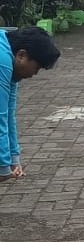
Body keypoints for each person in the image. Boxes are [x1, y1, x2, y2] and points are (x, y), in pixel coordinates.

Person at [1, 27, 61, 183]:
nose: (35, 74)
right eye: (37, 67)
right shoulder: (3, 62)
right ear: (22, 55)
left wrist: (13, 160)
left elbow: (8, 114)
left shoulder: (10, 58)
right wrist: (3, 167)